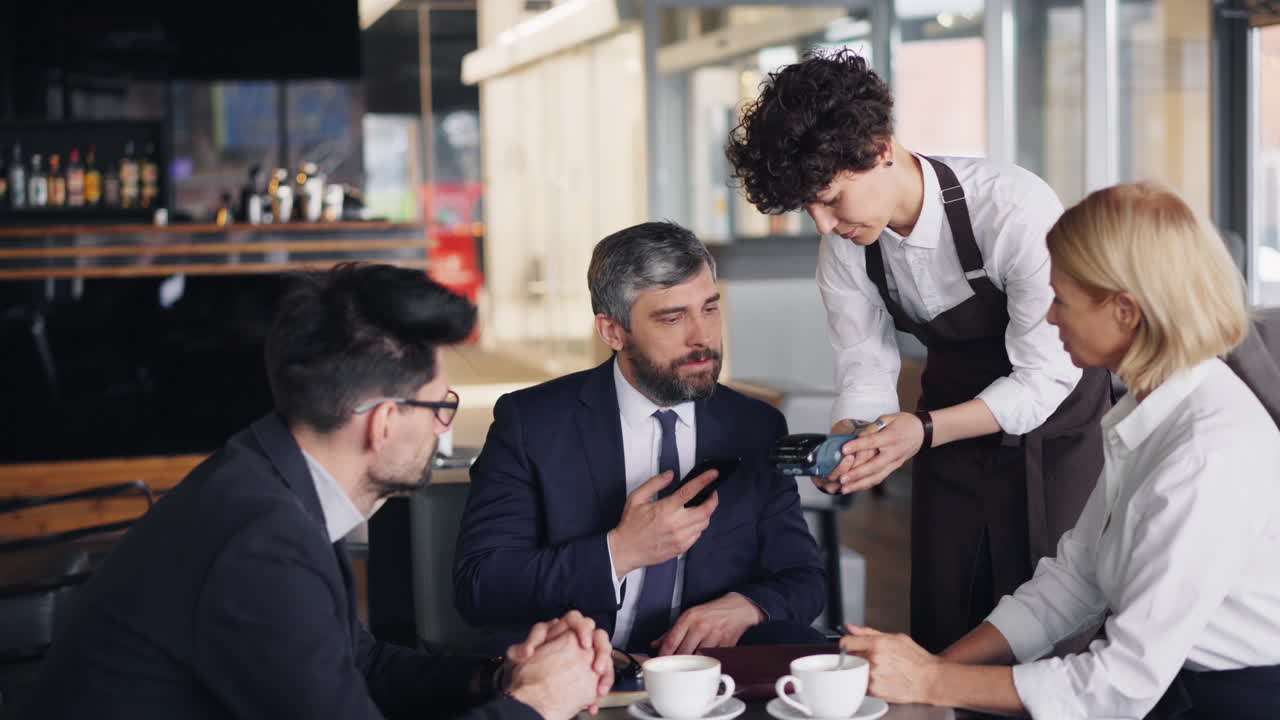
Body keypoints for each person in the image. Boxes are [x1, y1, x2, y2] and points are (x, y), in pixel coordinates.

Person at [29, 263, 613, 720]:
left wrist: (500, 678)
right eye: (441, 406)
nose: (443, 426)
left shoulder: (273, 476)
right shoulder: (260, 543)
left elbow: (357, 662)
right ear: (383, 422)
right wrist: (536, 705)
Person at [837, 182, 1280, 719]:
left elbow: (1118, 686)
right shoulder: (1150, 406)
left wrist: (933, 681)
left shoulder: (1207, 451)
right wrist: (933, 670)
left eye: (1061, 299)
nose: (1049, 318)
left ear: (1124, 311)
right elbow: (1075, 580)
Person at [725, 48, 1110, 653]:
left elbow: (1042, 379)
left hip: (1055, 429)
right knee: (946, 612)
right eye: (808, 208)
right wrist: (856, 440)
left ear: (880, 149)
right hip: (947, 430)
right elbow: (864, 363)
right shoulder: (847, 247)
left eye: (830, 198)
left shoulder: (1011, 209)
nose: (823, 224)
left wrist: (921, 431)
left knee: (1052, 624)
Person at [453, 221, 826, 656]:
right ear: (613, 331)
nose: (702, 337)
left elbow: (804, 578)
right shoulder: (532, 423)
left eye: (709, 309)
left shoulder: (755, 426)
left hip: (707, 669)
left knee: (805, 647)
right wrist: (619, 552)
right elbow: (480, 586)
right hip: (578, 664)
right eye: (673, 318)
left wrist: (749, 607)